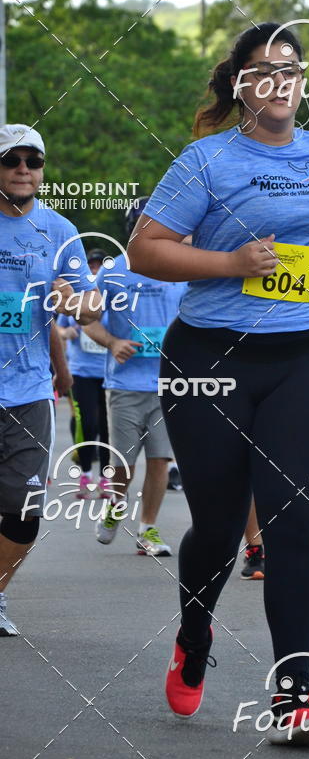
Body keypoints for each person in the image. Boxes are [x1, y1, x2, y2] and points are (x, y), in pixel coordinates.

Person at [127, 21, 309, 743]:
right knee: (215, 524)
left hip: (306, 355)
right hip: (208, 359)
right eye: (263, 70)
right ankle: (195, 632)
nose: (280, 82)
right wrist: (232, 263)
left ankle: (294, 694)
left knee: (292, 525)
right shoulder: (206, 161)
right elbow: (146, 249)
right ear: (240, 84)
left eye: (292, 69)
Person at [0, 124, 100, 635]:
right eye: (12, 159)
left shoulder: (59, 232)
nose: (22, 168)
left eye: (32, 160)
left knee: (24, 509)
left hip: (27, 393)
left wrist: (75, 303)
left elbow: (91, 305)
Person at [83, 198, 186, 556]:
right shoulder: (112, 272)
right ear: (133, 229)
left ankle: (148, 530)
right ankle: (114, 508)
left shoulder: (179, 270)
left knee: (160, 460)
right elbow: (88, 319)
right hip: (124, 384)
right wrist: (112, 342)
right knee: (122, 465)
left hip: (167, 383)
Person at [56, 247, 111, 498]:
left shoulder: (113, 297)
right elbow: (59, 329)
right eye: (91, 266)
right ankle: (86, 473)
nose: (95, 269)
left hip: (109, 372)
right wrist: (68, 333)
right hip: (81, 371)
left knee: (106, 426)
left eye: (99, 265)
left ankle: (105, 478)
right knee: (88, 423)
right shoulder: (77, 296)